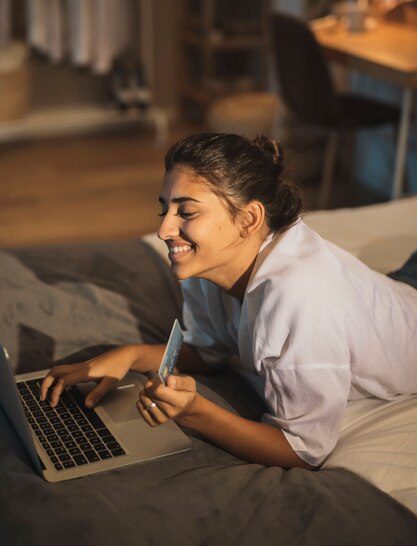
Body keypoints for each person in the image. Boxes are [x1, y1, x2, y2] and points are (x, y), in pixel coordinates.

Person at [40, 132, 417, 469]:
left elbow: (303, 451)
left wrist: (196, 412)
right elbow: (212, 351)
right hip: (396, 290)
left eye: (186, 212)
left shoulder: (300, 298)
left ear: (250, 219)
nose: (163, 229)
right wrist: (130, 356)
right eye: (165, 208)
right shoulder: (205, 263)